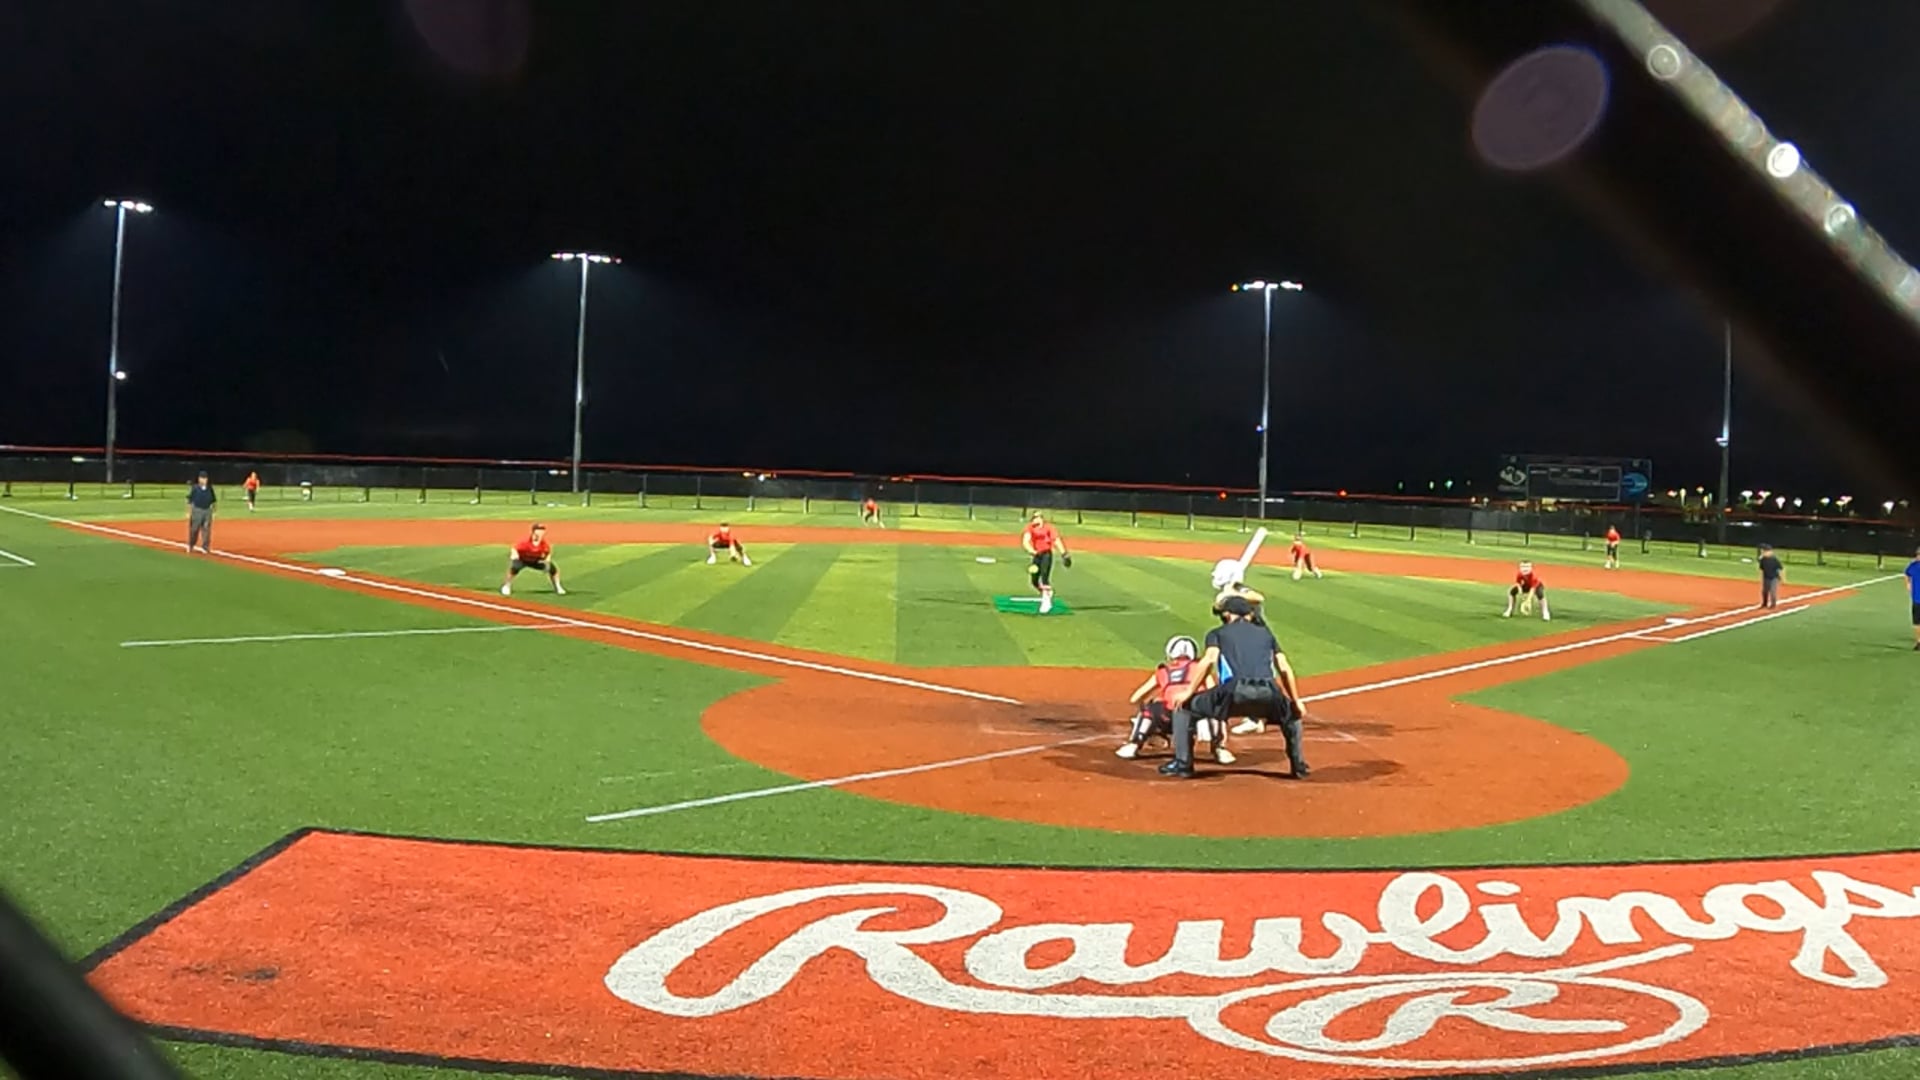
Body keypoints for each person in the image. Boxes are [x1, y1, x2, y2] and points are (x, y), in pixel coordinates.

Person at [1159, 596, 1309, 779]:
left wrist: (1189, 692)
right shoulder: (1266, 634)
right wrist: (1295, 701)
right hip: (1269, 692)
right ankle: (1299, 766)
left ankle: (1183, 764)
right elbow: (1284, 668)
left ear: (1228, 614)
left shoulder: (1217, 633)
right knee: (1292, 716)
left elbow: (1209, 661)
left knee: (1184, 708)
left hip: (1234, 692)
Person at [1117, 636, 1231, 762]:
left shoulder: (1163, 671)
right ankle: (1219, 749)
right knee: (1213, 708)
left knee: (1149, 709)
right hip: (1195, 720)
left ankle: (1134, 743)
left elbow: (1135, 698)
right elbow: (1215, 695)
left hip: (1167, 719)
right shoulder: (1200, 669)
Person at [1020, 511, 1070, 614]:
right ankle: (1046, 592)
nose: (1034, 519)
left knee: (1044, 577)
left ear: (1041, 518)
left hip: (1046, 554)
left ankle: (1046, 602)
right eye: (1033, 517)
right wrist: (1032, 551)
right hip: (1036, 555)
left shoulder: (1049, 528)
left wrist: (1064, 553)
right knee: (1034, 580)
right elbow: (1025, 541)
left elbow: (1056, 540)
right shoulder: (1030, 528)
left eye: (1037, 517)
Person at [501, 524, 565, 596]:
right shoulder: (525, 542)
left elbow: (547, 553)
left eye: (542, 531)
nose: (541, 532)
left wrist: (547, 562)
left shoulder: (544, 544)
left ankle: (558, 587)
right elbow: (515, 549)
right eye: (539, 530)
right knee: (515, 568)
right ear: (533, 532)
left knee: (553, 569)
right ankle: (506, 586)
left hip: (535, 560)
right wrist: (515, 556)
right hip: (523, 559)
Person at [1210, 559, 1267, 625]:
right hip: (1234, 628)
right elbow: (1216, 610)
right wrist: (1219, 602)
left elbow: (1259, 598)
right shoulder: (1222, 595)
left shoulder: (1241, 590)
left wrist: (1232, 594)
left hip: (1254, 627)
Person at [185, 472, 216, 554]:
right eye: (203, 478)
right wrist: (189, 512)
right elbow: (190, 501)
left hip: (207, 510)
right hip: (197, 510)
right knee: (194, 529)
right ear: (199, 479)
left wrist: (214, 512)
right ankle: (191, 545)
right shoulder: (195, 488)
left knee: (206, 530)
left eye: (205, 478)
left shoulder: (210, 488)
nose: (205, 480)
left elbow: (213, 501)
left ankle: (205, 547)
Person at [1758, 544, 1784, 609]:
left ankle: (1773, 604)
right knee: (1765, 591)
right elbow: (1761, 569)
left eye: (1764, 551)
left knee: (1773, 591)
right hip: (1766, 577)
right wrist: (1761, 577)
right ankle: (1764, 603)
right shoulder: (1763, 560)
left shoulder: (1774, 559)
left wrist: (1782, 578)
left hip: (1774, 578)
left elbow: (1780, 569)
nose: (1763, 553)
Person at [1905, 547, 1920, 651]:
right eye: (1918, 554)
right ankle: (1919, 641)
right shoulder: (1913, 566)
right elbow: (1906, 574)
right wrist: (1908, 584)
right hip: (1916, 599)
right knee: (1917, 622)